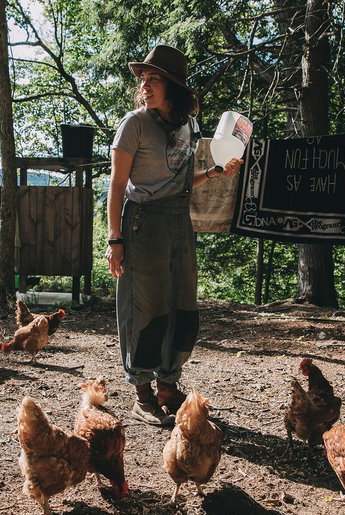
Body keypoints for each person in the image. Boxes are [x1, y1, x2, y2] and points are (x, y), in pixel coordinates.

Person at [106, 45, 243, 426]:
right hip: (142, 223)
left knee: (182, 307)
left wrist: (214, 173)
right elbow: (116, 185)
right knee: (146, 310)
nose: (145, 86)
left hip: (179, 221)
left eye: (154, 79)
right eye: (143, 80)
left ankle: (168, 384)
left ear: (174, 86)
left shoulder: (189, 125)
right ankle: (142, 393)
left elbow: (183, 180)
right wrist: (114, 239)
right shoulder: (134, 123)